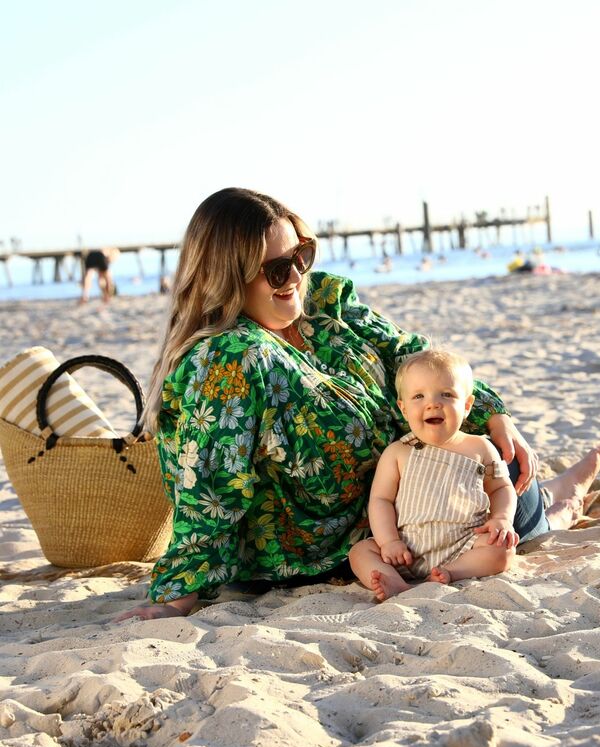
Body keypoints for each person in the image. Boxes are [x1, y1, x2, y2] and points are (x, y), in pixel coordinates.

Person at [115, 187, 600, 622]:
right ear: (227, 277)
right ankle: (561, 503)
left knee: (510, 470)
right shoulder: (229, 357)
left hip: (444, 488)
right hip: (366, 546)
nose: (295, 278)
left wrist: (494, 410)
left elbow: (414, 356)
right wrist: (179, 593)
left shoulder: (325, 302)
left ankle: (555, 496)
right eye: (276, 269)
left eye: (300, 256)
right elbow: (213, 485)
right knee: (528, 523)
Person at [349, 349, 519, 601]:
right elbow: (381, 500)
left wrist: (502, 519)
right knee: (360, 552)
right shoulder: (397, 452)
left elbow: (501, 488)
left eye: (447, 394)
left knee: (503, 552)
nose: (433, 403)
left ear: (467, 406)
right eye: (419, 396)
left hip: (464, 544)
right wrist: (389, 542)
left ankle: (449, 572)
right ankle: (394, 582)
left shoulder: (480, 448)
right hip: (407, 548)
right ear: (403, 409)